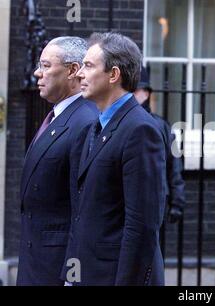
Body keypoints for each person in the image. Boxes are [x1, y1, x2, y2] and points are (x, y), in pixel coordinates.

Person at [62, 32, 166, 286]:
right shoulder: (92, 129)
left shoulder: (140, 130)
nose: (79, 74)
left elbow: (141, 225)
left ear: (113, 75)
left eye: (88, 65)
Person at [17, 36, 98, 285]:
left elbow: (84, 207)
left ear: (73, 70)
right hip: (37, 259)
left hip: (56, 268)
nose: (37, 73)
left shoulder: (85, 121)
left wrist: (72, 277)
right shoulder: (58, 116)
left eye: (45, 65)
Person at [134, 68, 185, 224]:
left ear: (146, 93)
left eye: (134, 91)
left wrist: (177, 202)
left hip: (156, 198)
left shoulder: (162, 125)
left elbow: (174, 164)